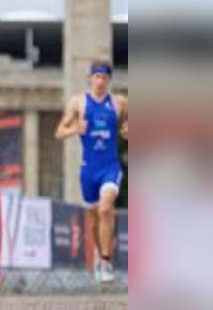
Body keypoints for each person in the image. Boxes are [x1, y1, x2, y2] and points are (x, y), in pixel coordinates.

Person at [55, 60, 128, 283]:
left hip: (110, 167)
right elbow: (59, 132)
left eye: (104, 78)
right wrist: (76, 128)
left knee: (106, 209)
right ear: (90, 78)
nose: (99, 81)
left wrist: (127, 130)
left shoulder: (119, 103)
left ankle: (106, 261)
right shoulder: (78, 103)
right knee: (94, 220)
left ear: (108, 80)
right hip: (89, 170)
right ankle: (100, 256)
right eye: (96, 77)